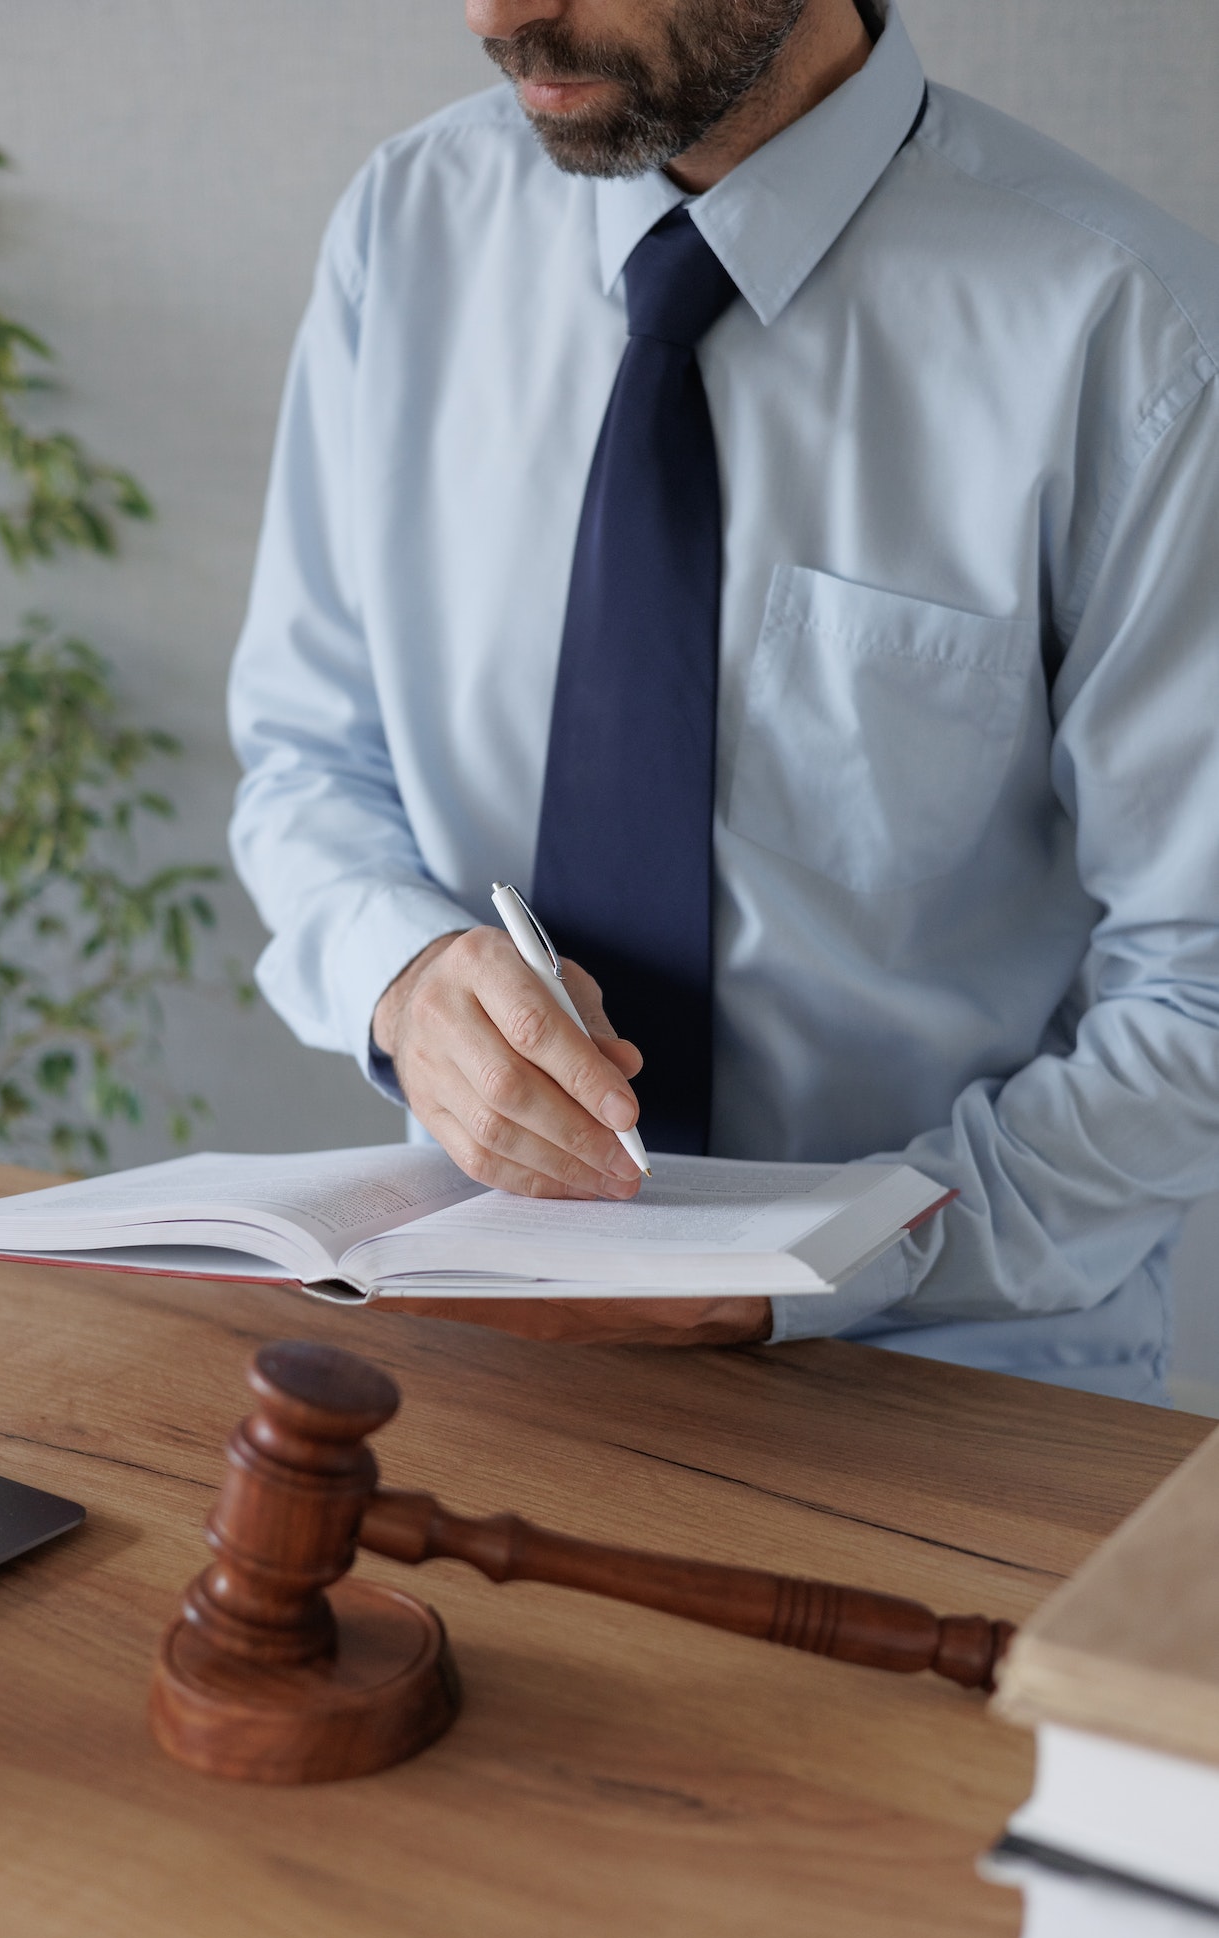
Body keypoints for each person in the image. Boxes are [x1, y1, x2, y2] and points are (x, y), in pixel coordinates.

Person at [228, 0, 1219, 1399]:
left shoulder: (1141, 345)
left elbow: (1198, 994)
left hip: (947, 1382)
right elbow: (304, 758)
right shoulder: (408, 226)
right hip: (479, 1328)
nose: (496, 15)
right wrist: (400, 973)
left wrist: (820, 1270)